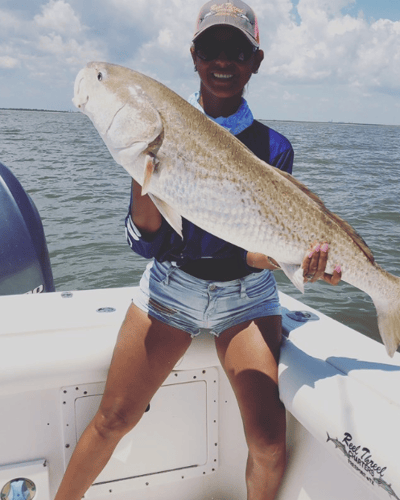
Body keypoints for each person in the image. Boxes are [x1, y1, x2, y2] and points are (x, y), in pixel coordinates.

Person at [54, 2, 341, 500]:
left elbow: (254, 251)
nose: (223, 60)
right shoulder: (158, 125)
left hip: (247, 297)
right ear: (194, 55)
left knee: (270, 443)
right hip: (171, 288)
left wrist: (305, 262)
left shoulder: (274, 147)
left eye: (237, 50)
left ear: (256, 60)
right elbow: (148, 241)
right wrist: (148, 166)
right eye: (212, 48)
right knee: (113, 419)